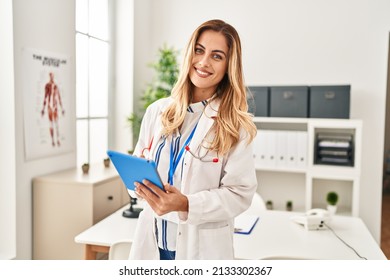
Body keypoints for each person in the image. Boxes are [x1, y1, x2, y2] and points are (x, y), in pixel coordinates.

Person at [130, 19, 257, 260]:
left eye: (217, 56)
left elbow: (240, 194)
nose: (204, 62)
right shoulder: (157, 112)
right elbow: (140, 163)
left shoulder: (236, 125)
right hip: (153, 243)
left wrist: (186, 203)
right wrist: (139, 186)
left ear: (229, 65)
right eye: (199, 50)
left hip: (200, 250)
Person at [41, 72, 65, 147]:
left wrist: (62, 108)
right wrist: (43, 108)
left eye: (53, 76)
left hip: (55, 107)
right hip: (50, 107)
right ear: (49, 76)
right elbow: (45, 97)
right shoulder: (47, 86)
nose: (52, 77)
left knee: (56, 124)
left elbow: (59, 97)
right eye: (51, 76)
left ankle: (57, 139)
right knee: (51, 124)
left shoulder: (56, 86)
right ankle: (52, 140)